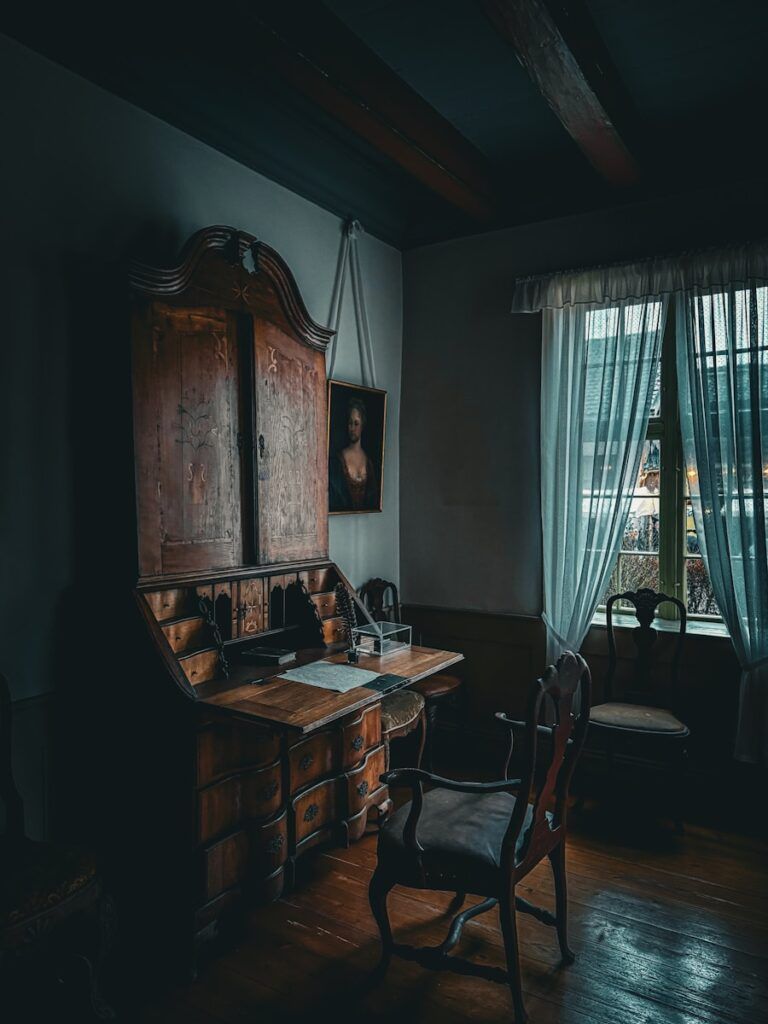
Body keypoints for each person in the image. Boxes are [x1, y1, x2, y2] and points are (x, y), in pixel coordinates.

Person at [329, 396, 379, 511]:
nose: (352, 428)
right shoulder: (338, 461)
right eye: (350, 423)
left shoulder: (368, 462)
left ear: (362, 425)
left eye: (356, 423)